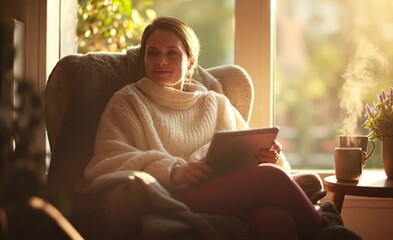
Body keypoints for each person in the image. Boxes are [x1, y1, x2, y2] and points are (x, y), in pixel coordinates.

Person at [84, 16, 323, 240]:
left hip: (226, 191)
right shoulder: (128, 101)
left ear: (190, 61)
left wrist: (267, 156)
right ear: (144, 58)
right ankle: (330, 233)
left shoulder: (214, 102)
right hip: (170, 194)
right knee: (272, 178)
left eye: (172, 53)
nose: (161, 61)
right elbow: (106, 161)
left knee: (275, 220)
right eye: (153, 53)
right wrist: (173, 170)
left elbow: (245, 150)